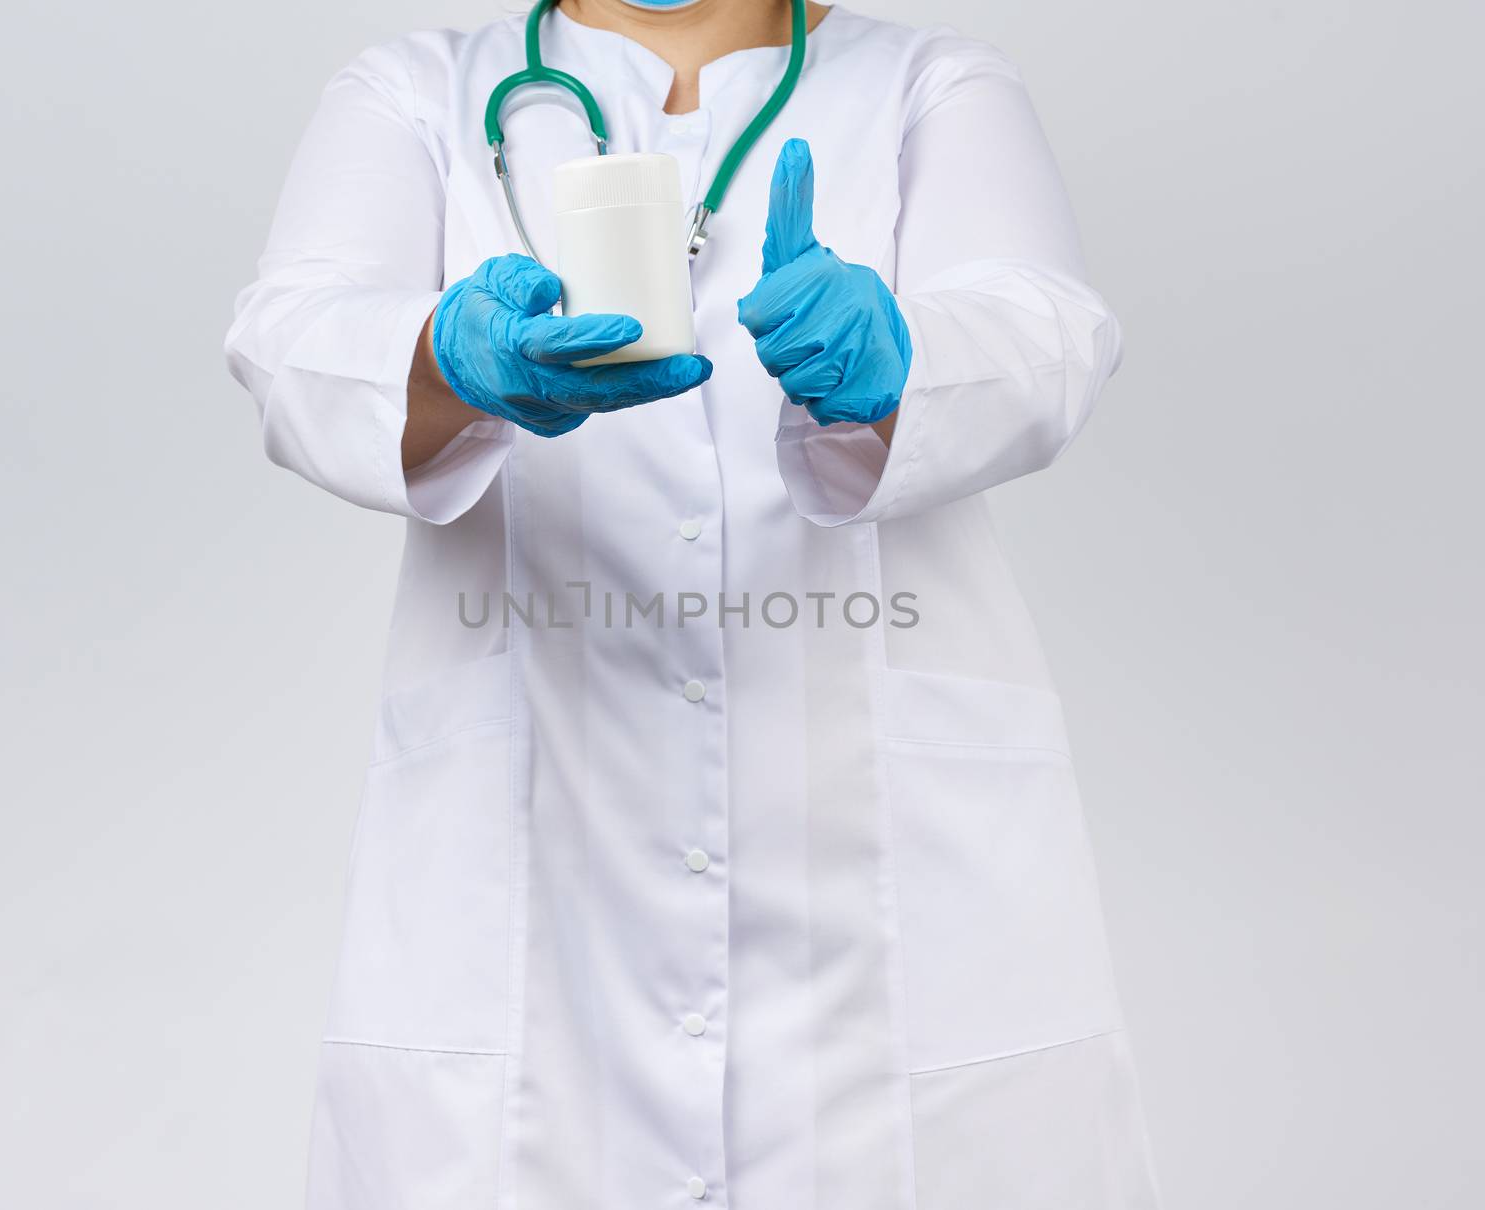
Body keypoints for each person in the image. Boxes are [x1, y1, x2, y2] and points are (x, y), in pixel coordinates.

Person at [224, 1, 1160, 1206]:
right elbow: (292, 332)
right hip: (544, 854)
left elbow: (1045, 324)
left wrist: (895, 361)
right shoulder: (419, 94)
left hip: (872, 874)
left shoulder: (926, 84)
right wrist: (443, 360)